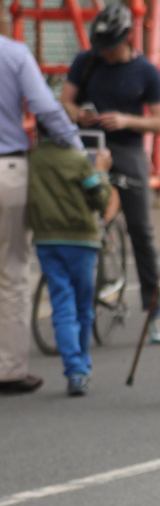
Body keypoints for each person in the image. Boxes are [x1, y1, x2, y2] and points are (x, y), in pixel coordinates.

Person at [61, 4, 160, 344]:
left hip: (128, 150)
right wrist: (78, 114)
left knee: (141, 231)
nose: (105, 54)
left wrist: (126, 120)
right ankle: (81, 303)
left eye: (110, 47)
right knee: (78, 223)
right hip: (90, 147)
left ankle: (156, 312)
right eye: (100, 47)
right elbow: (63, 101)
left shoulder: (146, 72)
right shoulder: (87, 61)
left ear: (126, 40)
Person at [0, 33, 82, 395]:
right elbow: (46, 107)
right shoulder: (13, 53)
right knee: (11, 270)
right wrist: (78, 149)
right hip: (7, 170)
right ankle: (10, 368)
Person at [27, 133, 118, 395]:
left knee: (61, 305)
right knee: (83, 307)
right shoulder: (77, 160)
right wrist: (101, 172)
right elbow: (100, 198)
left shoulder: (33, 159)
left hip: (47, 239)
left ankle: (74, 369)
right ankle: (82, 365)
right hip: (81, 240)